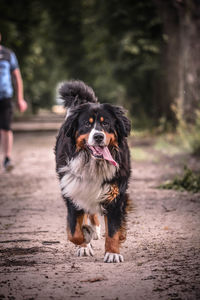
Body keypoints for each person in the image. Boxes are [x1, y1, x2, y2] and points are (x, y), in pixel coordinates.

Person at [0, 33, 27, 171]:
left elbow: (17, 77)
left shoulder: (8, 54)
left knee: (6, 128)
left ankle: (7, 159)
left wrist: (20, 99)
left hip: (5, 96)